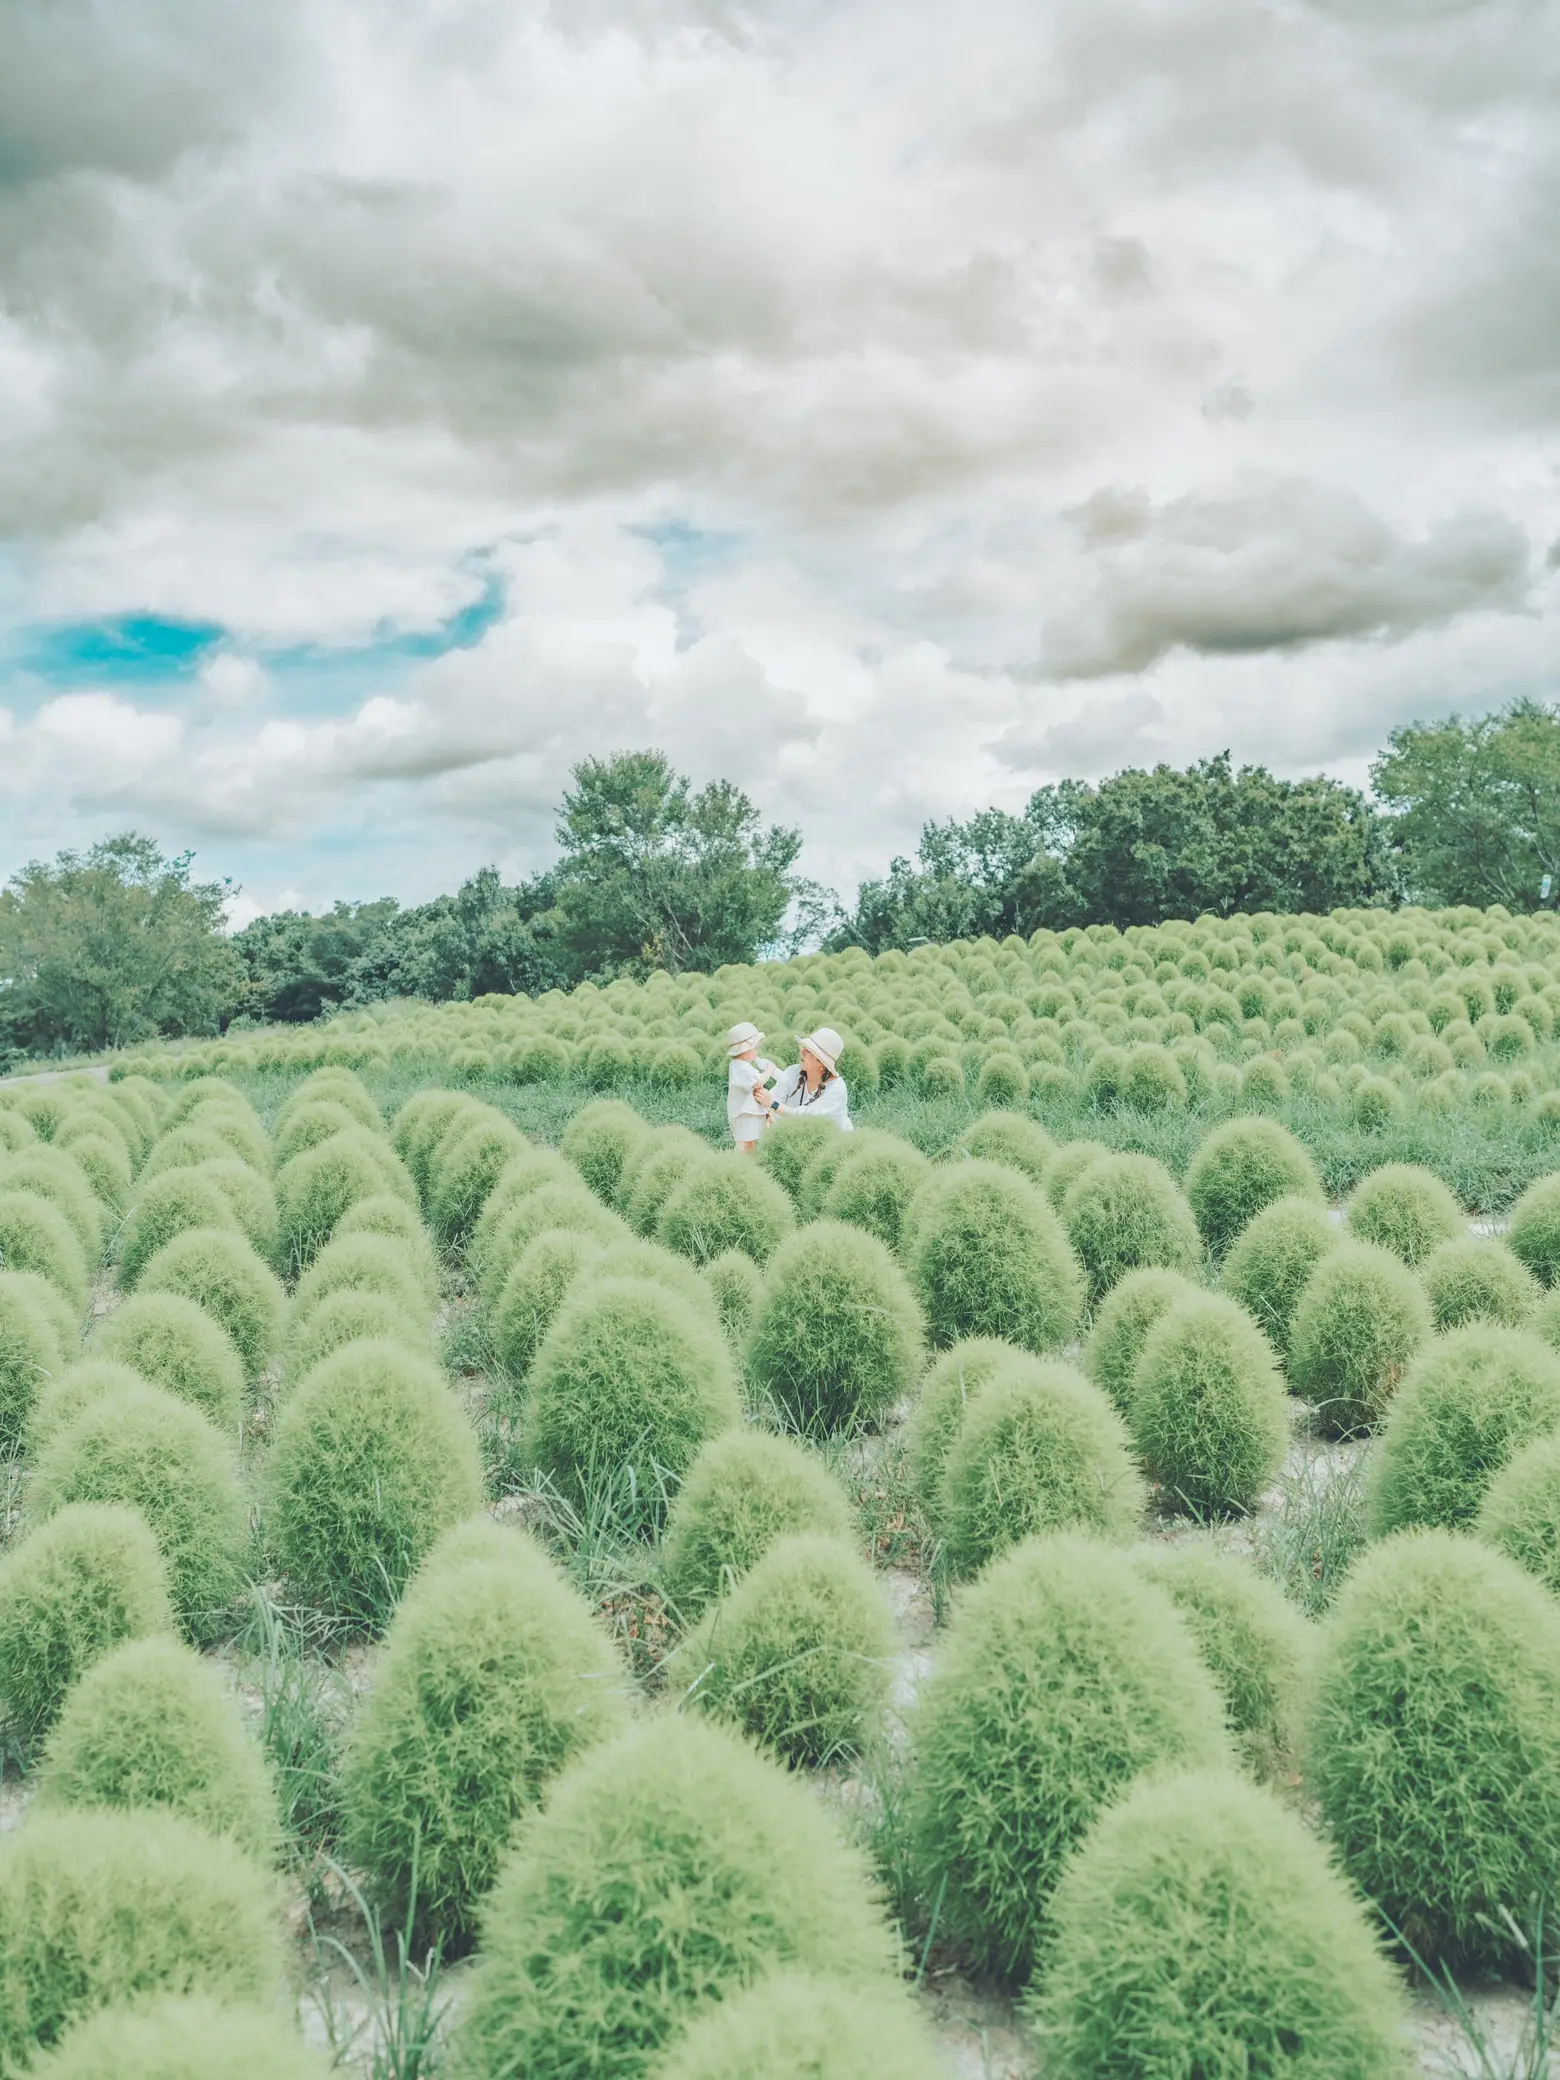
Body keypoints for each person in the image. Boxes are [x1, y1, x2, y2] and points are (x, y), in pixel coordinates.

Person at [754, 1026, 852, 1132]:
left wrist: (773, 1104)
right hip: (796, 1136)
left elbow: (806, 1117)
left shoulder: (837, 1089)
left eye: (809, 1051)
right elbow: (773, 1097)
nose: (802, 1051)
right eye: (804, 1047)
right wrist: (769, 1114)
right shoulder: (793, 1072)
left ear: (822, 1063)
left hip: (830, 1143)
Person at [725, 1021, 778, 1154]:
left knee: (752, 1142)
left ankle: (750, 1159)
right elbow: (758, 1082)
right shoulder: (741, 1067)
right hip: (745, 1114)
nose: (757, 1052)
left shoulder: (741, 1066)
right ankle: (744, 1162)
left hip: (748, 1112)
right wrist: (769, 1071)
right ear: (745, 1051)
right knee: (746, 1143)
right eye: (755, 1049)